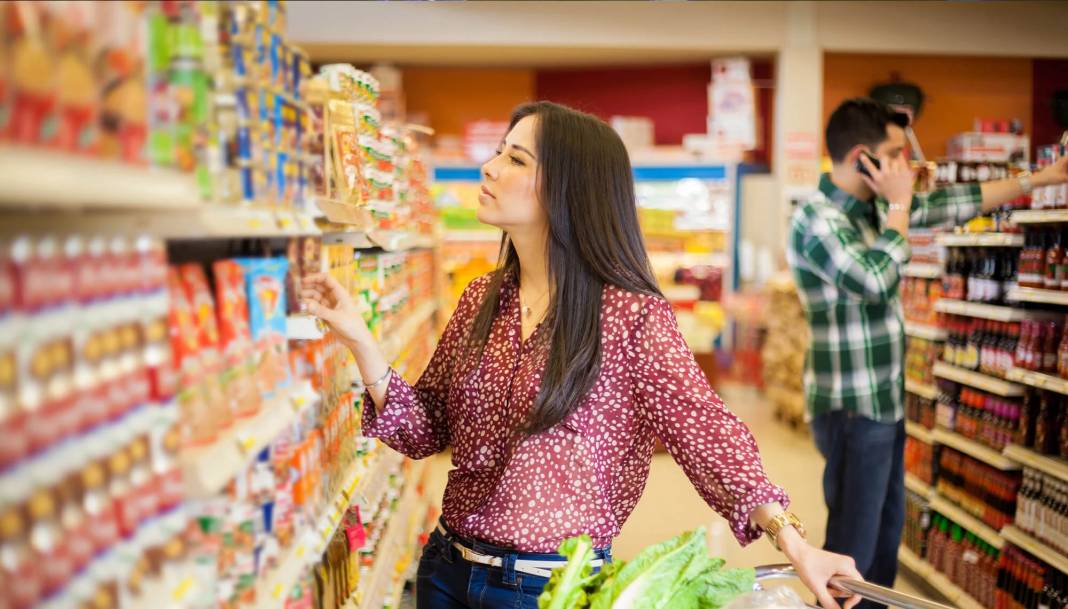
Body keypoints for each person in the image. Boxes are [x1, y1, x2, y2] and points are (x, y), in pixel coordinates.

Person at [303, 101, 863, 609]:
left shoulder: (631, 316)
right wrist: (360, 339)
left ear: (568, 189)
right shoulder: (483, 297)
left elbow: (707, 433)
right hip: (446, 571)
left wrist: (794, 543)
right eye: (499, 152)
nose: (490, 168)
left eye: (516, 159)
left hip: (546, 589)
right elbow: (425, 430)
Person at [786, 97, 1068, 609]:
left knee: (885, 536)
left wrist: (1044, 177)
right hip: (852, 410)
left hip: (883, 405)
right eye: (896, 154)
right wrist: (898, 204)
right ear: (861, 159)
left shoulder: (872, 210)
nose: (907, 167)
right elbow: (876, 279)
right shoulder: (818, 219)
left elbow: (957, 202)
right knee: (852, 551)